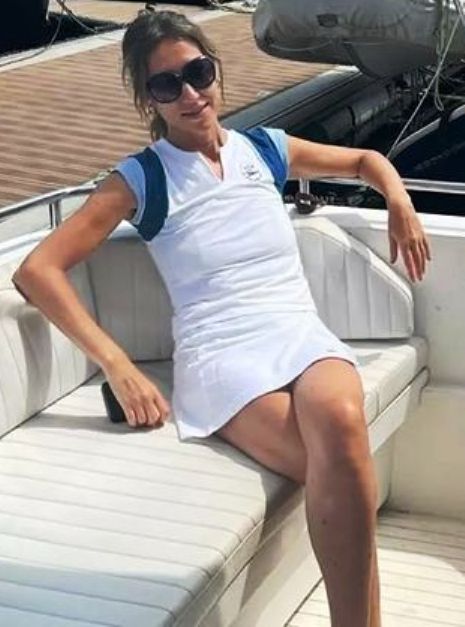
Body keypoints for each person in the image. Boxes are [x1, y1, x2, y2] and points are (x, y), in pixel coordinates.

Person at [12, 8, 431, 627]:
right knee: (341, 465)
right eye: (166, 85)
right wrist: (119, 366)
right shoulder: (144, 177)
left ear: (215, 69)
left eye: (198, 72)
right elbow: (37, 270)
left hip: (298, 332)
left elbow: (366, 161)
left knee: (342, 424)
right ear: (148, 99)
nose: (189, 94)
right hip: (222, 358)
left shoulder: (263, 148)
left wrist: (398, 198)